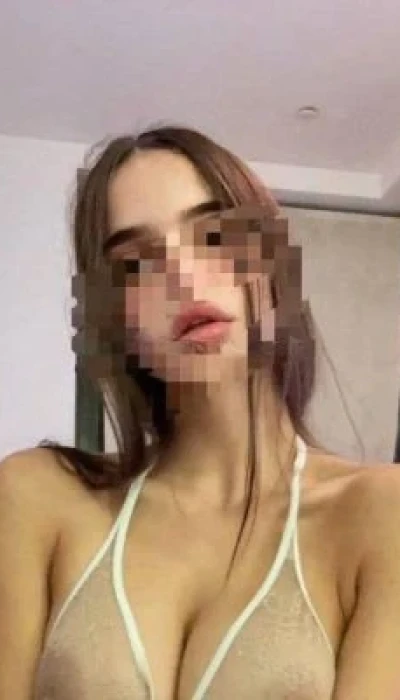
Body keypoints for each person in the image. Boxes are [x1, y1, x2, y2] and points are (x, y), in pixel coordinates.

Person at [1, 125, 400, 700]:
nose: (183, 279)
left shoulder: (377, 514)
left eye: (214, 236)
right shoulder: (38, 498)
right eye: (136, 264)